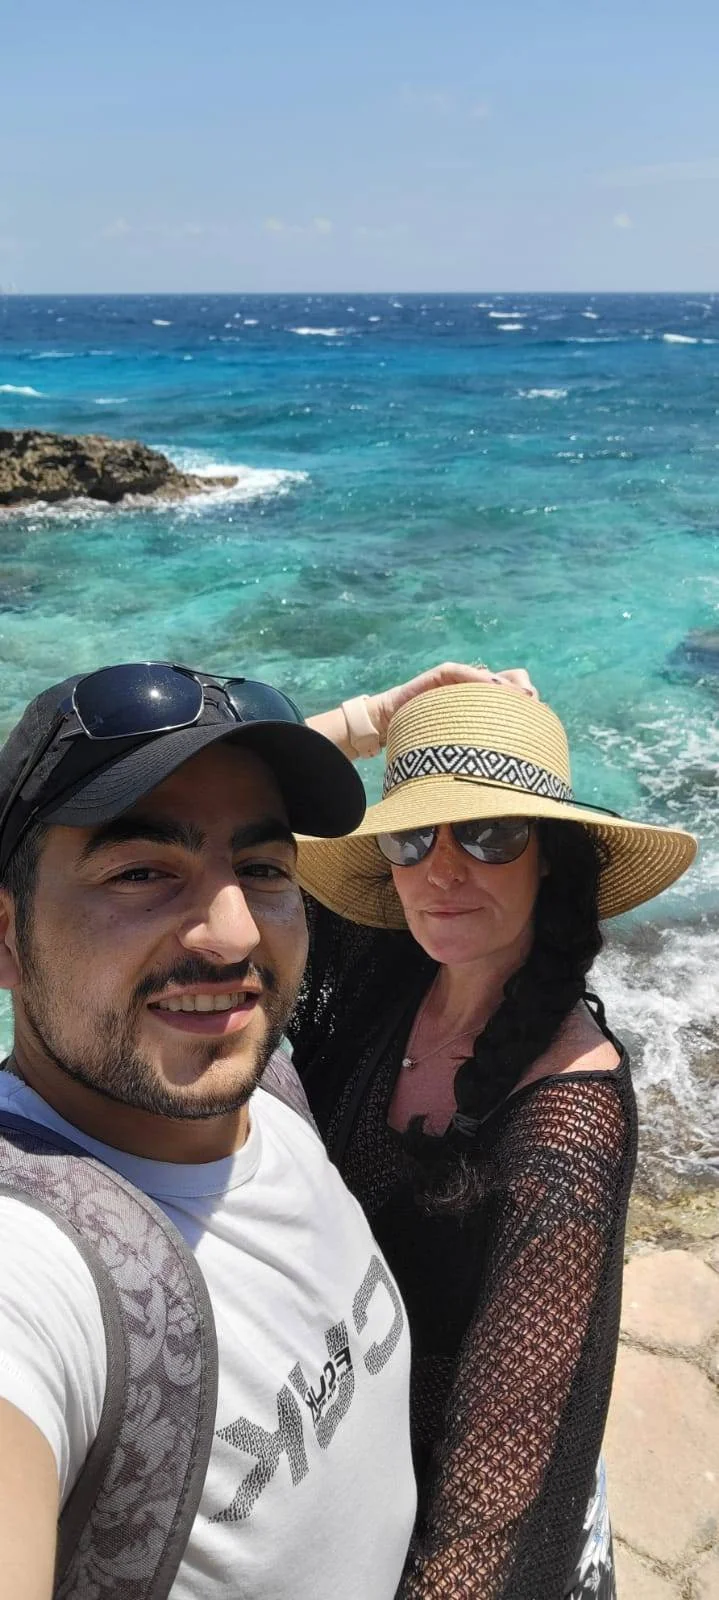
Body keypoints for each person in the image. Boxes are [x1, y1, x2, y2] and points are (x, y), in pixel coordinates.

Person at [0, 663, 417, 1600]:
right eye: (143, 872)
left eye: (264, 869)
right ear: (5, 937)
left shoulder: (260, 1079)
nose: (231, 934)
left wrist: (358, 723)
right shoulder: (32, 1268)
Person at [292, 675, 697, 1600]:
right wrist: (366, 723)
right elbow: (204, 836)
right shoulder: (391, 962)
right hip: (335, 1477)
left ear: (548, 854)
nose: (441, 870)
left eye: (487, 833)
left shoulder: (565, 1121)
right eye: (411, 834)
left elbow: (495, 1489)